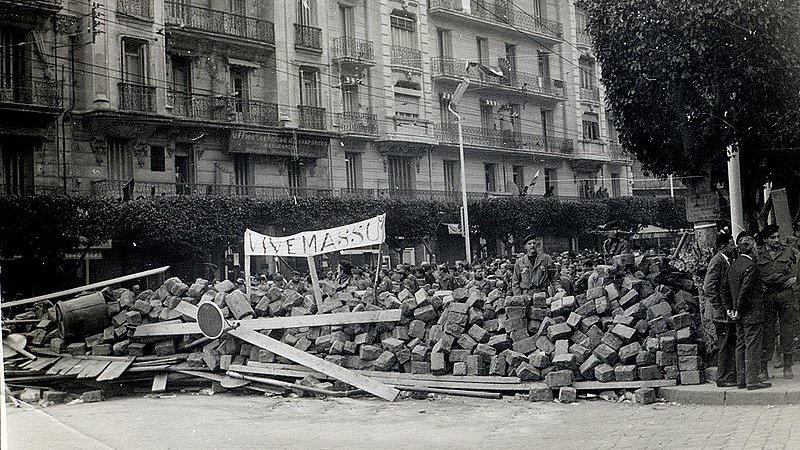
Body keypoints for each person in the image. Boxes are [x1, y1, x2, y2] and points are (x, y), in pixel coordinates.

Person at [721, 232, 771, 390]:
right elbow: (745, 291)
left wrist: (731, 309)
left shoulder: (733, 265)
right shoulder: (751, 266)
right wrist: (739, 309)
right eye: (755, 247)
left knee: (741, 345)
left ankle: (742, 379)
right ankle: (753, 381)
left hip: (739, 314)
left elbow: (723, 289)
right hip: (751, 314)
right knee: (753, 346)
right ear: (751, 248)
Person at [756, 224, 799, 379]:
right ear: (765, 239)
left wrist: (796, 278)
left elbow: (798, 265)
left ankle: (787, 367)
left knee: (788, 329)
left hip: (785, 294)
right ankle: (763, 369)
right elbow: (752, 272)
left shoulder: (788, 251)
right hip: (767, 296)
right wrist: (758, 285)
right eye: (772, 238)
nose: (776, 240)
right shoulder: (758, 253)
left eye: (777, 237)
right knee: (767, 331)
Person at [703, 233, 737, 387]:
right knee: (724, 344)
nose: (734, 247)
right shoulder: (717, 261)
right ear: (723, 246)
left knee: (728, 342)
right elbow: (709, 287)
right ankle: (722, 378)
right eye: (731, 244)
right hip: (720, 313)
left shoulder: (725, 260)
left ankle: (728, 375)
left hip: (723, 311)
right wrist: (720, 306)